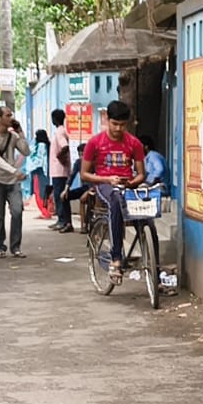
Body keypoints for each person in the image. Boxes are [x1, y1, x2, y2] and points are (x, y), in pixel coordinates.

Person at [79, 100, 147, 284]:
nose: (118, 128)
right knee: (115, 201)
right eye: (115, 124)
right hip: (104, 185)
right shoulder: (95, 143)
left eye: (122, 125)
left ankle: (152, 264)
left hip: (127, 185)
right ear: (107, 120)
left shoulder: (134, 143)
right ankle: (116, 258)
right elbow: (84, 174)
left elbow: (141, 174)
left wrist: (132, 183)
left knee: (147, 212)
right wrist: (107, 179)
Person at [0, 105, 29, 258]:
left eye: (11, 115)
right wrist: (14, 171)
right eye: (8, 115)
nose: (11, 118)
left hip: (13, 181)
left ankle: (15, 247)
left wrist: (20, 132)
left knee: (17, 212)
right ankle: (0, 246)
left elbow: (26, 151)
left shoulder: (13, 136)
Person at [47, 109, 74, 232]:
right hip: (58, 170)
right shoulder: (61, 131)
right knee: (59, 196)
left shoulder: (59, 132)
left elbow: (65, 147)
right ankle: (61, 220)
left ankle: (64, 221)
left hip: (60, 171)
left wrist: (59, 156)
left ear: (55, 119)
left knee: (60, 196)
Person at [28, 127, 51, 218]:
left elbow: (39, 160)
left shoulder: (40, 146)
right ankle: (47, 211)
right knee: (46, 192)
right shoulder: (48, 145)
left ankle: (45, 212)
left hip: (39, 172)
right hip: (46, 172)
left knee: (39, 192)